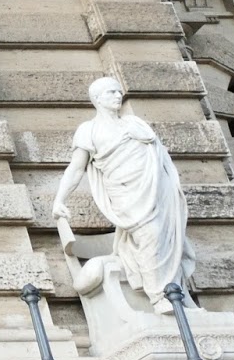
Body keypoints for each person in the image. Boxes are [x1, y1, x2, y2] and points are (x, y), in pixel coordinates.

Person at [52, 77, 196, 313]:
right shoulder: (88, 130)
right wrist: (59, 200)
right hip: (126, 194)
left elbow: (160, 158)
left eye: (119, 92)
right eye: (111, 92)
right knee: (149, 234)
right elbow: (76, 168)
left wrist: (167, 186)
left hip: (155, 190)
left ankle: (176, 295)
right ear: (97, 98)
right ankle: (160, 296)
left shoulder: (135, 123)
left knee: (166, 237)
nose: (118, 96)